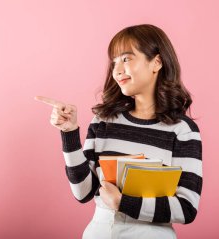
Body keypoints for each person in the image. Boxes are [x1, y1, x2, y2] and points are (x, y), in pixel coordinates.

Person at [35, 24, 202, 239]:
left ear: (156, 62)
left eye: (126, 59)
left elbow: (187, 208)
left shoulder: (183, 131)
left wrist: (123, 203)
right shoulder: (103, 122)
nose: (117, 70)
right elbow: (83, 192)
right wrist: (69, 133)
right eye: (114, 62)